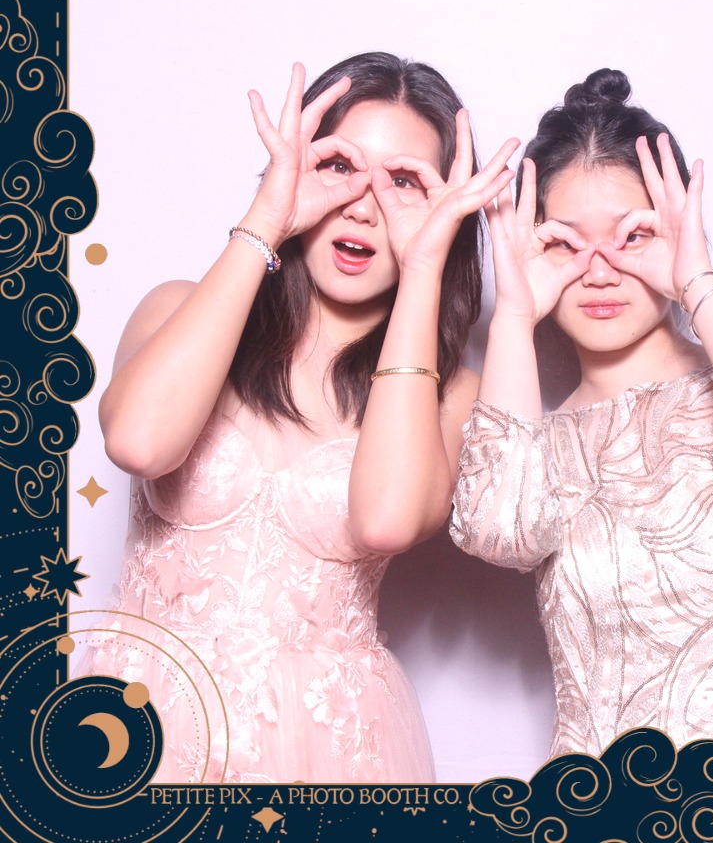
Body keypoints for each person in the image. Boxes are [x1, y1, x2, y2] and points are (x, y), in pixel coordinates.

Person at [78, 52, 517, 783]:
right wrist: (268, 217)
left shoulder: (453, 396)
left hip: (333, 750)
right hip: (144, 723)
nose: (364, 205)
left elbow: (386, 521)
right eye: (340, 166)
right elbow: (139, 442)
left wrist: (424, 269)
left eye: (404, 182)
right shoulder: (176, 308)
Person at [450, 68, 713, 759]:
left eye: (633, 235)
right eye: (564, 243)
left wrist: (696, 277)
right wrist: (514, 315)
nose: (599, 270)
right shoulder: (537, 448)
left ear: (678, 229)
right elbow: (501, 534)